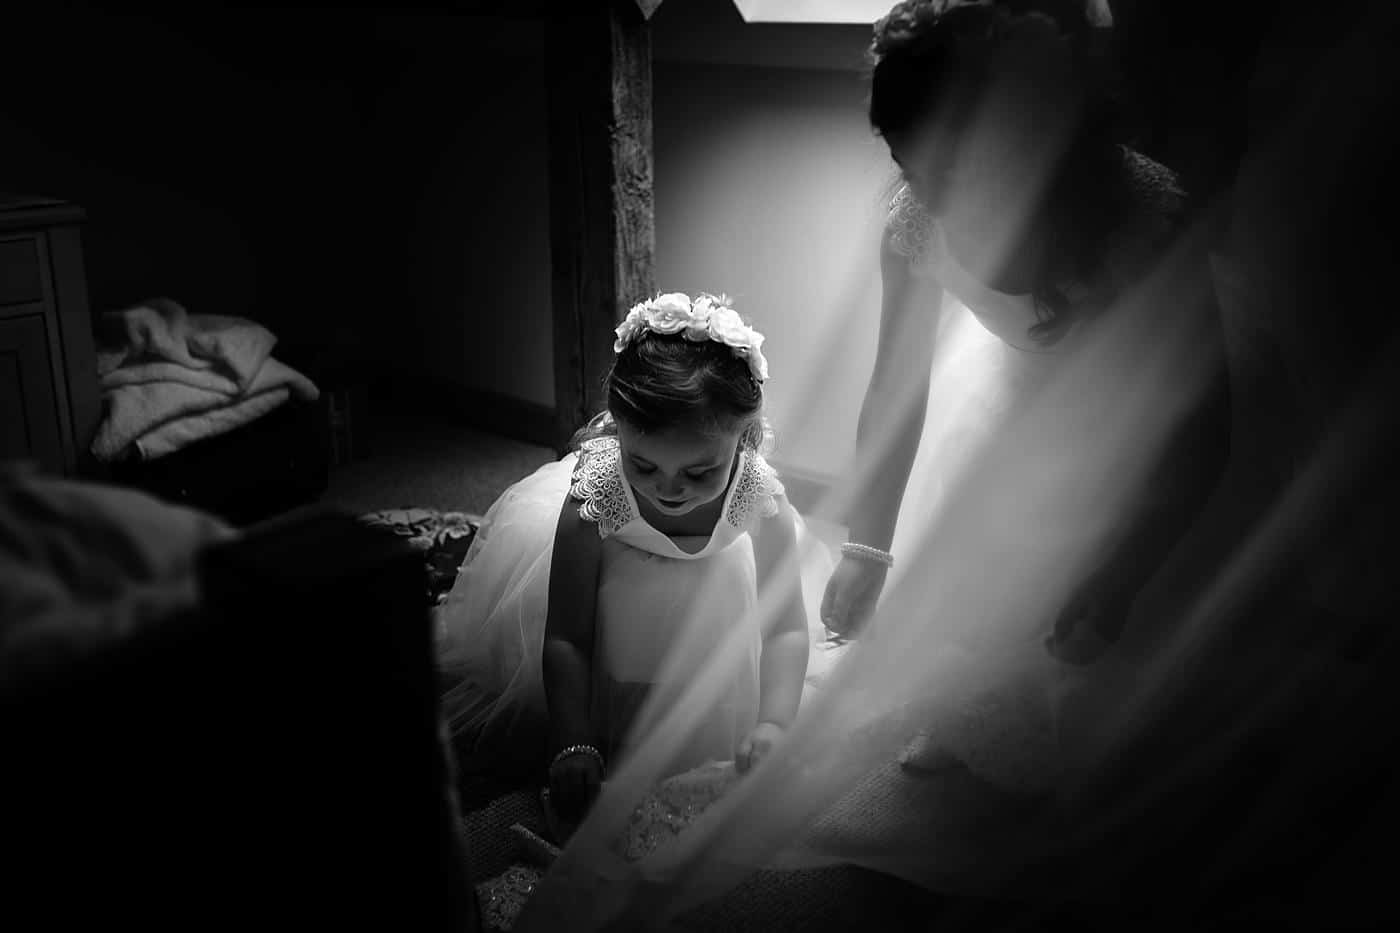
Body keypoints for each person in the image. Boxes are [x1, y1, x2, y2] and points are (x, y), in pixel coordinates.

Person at [818, 0, 1231, 775]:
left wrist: (1126, 573)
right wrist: (869, 545)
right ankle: (982, 714)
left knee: (1134, 682)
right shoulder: (914, 228)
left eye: (951, 171)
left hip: (1149, 422)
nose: (929, 197)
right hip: (1016, 403)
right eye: (910, 169)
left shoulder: (1143, 219)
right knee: (981, 588)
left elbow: (1207, 427)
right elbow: (893, 392)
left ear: (1032, 137)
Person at [434, 291, 820, 833]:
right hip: (609, 632)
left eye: (699, 472)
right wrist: (572, 738)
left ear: (745, 436)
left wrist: (776, 722)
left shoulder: (760, 498)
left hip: (714, 638)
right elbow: (567, 636)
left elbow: (783, 628)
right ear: (618, 431)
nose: (669, 490)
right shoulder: (596, 497)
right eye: (644, 464)